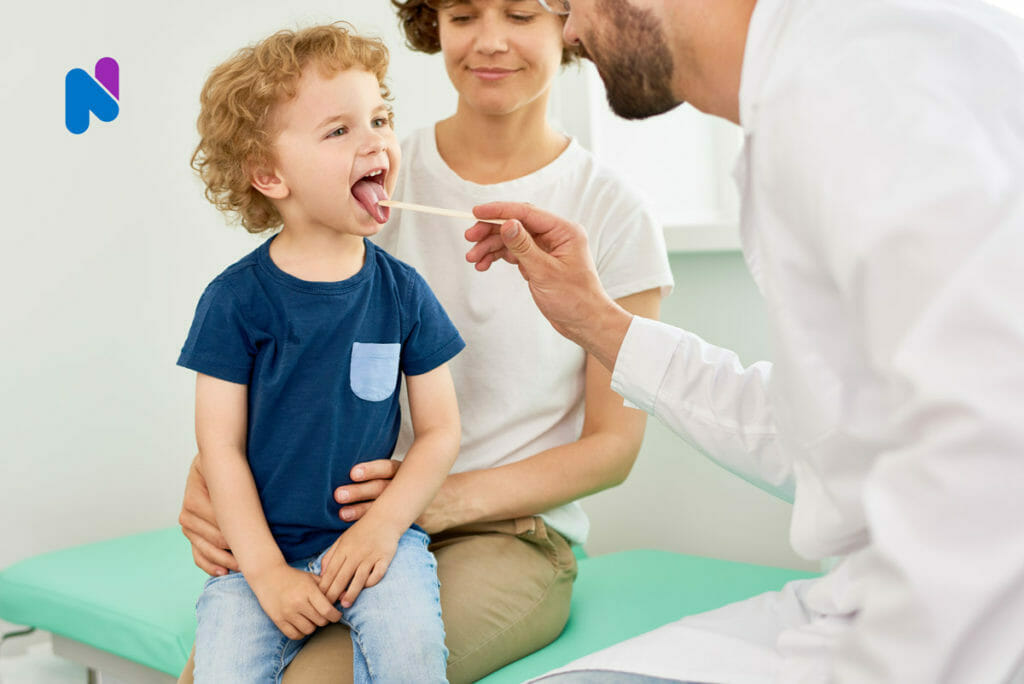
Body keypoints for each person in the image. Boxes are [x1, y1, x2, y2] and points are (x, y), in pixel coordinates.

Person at [463, 0, 1024, 682]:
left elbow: (990, 460)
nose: (571, 30)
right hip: (864, 601)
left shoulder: (865, 77)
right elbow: (831, 434)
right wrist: (596, 321)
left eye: (567, 3)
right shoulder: (810, 90)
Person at [177, 2, 674, 683]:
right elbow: (283, 366)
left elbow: (613, 450)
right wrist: (211, 480)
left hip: (503, 534)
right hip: (328, 523)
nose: (491, 40)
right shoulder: (362, 179)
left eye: (523, 13)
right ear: (431, 22)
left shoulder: (612, 212)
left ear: (571, 23)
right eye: (464, 13)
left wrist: (430, 502)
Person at [179, 23, 465, 683]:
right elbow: (218, 448)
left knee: (415, 658)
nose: (375, 142)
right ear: (269, 175)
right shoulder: (233, 302)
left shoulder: (403, 292)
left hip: (374, 551)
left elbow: (441, 430)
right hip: (257, 563)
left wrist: (383, 529)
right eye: (339, 131)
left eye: (380, 119)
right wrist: (268, 575)